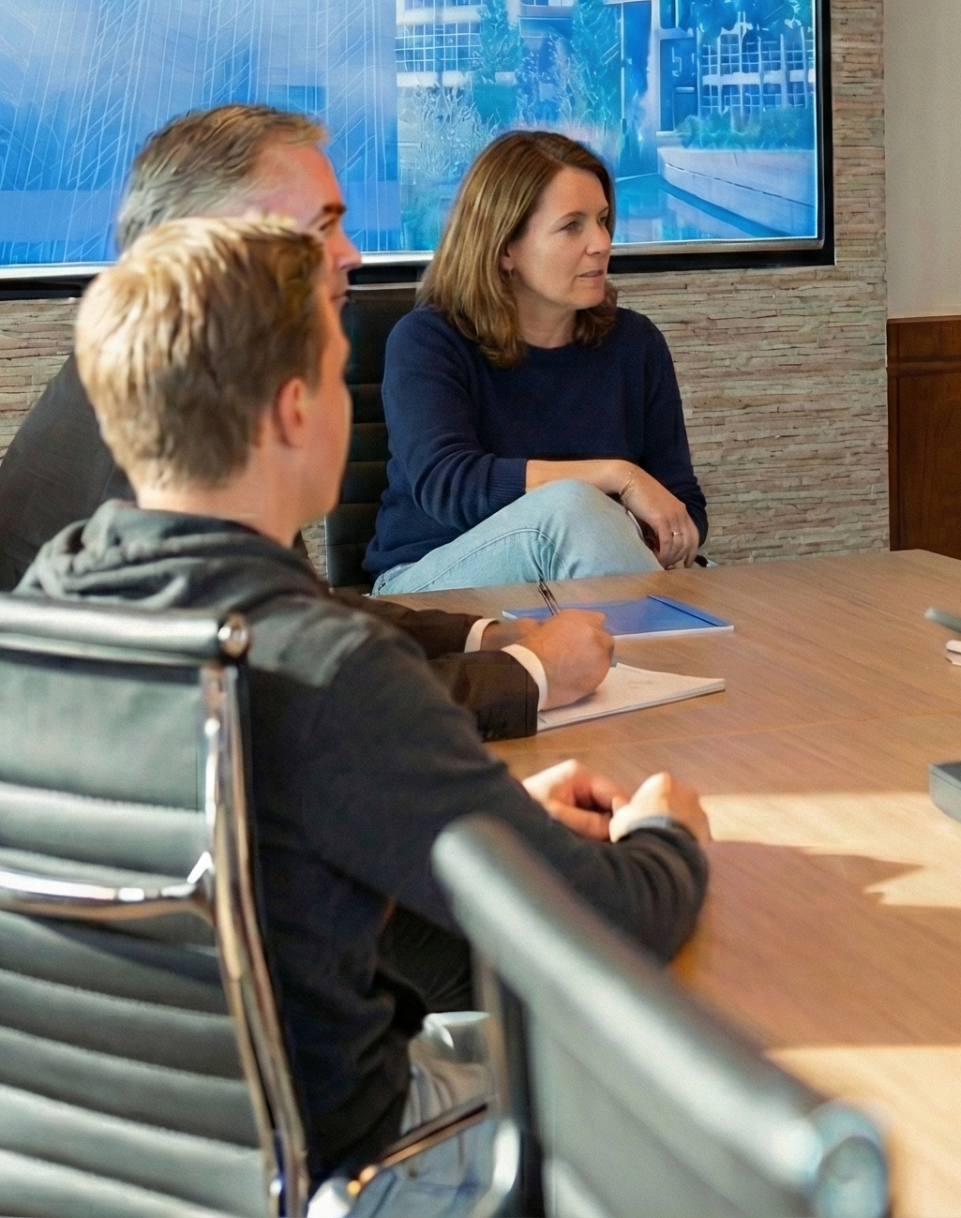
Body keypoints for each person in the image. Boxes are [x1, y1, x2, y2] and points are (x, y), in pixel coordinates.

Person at [19, 215, 711, 1202]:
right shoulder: (328, 669)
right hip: (361, 1165)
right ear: (296, 410)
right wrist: (666, 836)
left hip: (112, 1168)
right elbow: (607, 923)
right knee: (686, 1098)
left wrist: (478, 815)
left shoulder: (45, 613)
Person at [0, 105, 608, 740]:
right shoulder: (168, 410)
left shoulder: (184, 368)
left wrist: (478, 634)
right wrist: (532, 672)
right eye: (321, 229)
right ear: (214, 244)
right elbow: (304, 698)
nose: (350, 253)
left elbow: (288, 608)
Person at [366, 131, 707, 596]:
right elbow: (451, 486)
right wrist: (617, 477)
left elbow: (681, 504)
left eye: (602, 220)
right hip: (432, 588)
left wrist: (659, 534)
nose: (602, 243)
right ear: (505, 247)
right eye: (572, 226)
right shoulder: (426, 341)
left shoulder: (637, 343)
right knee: (571, 509)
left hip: (590, 578)